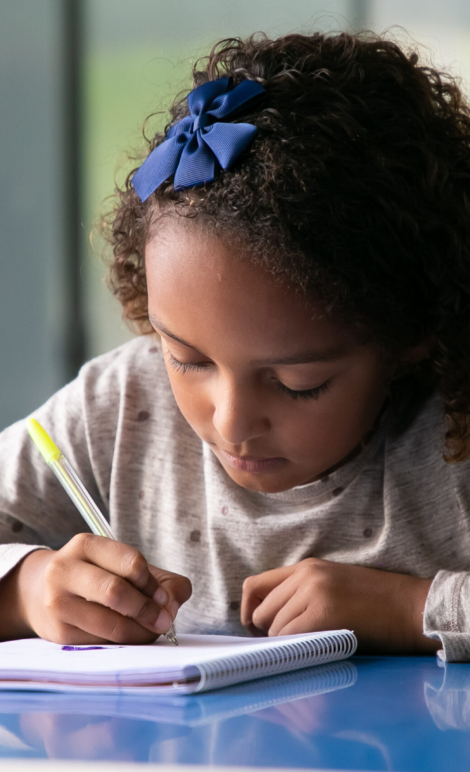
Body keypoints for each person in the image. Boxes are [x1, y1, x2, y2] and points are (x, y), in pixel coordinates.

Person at [0, 30, 469, 661]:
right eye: (187, 358)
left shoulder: (452, 439)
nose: (229, 422)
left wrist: (410, 608)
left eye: (298, 383)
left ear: (411, 333)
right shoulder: (120, 410)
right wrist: (26, 590)